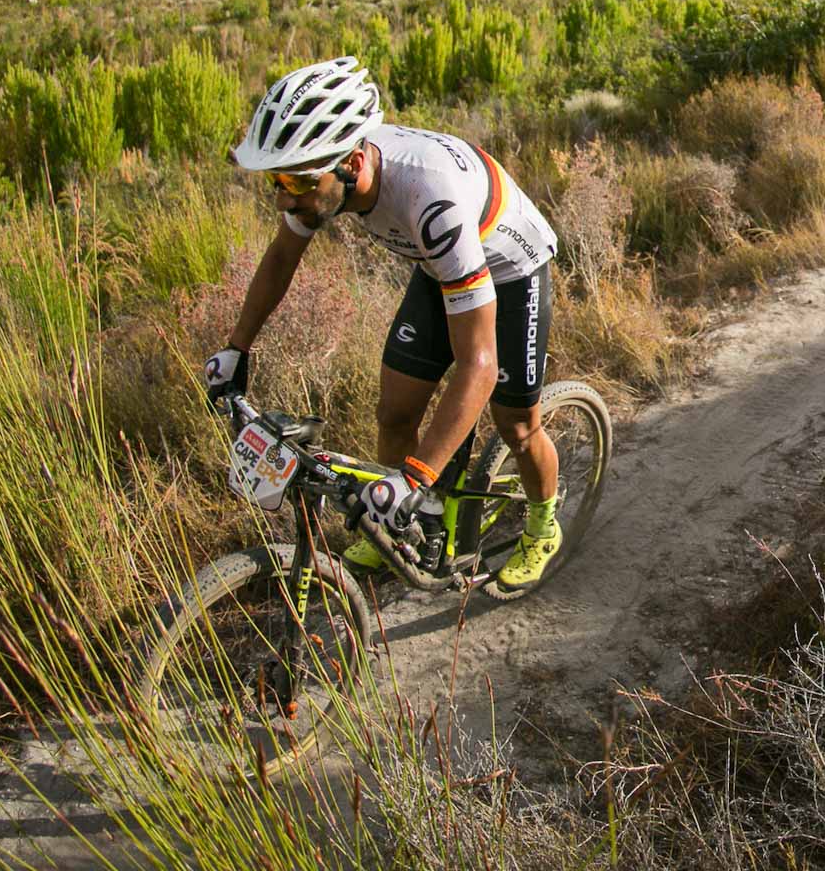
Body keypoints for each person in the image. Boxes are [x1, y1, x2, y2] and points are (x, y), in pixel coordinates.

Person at [204, 57, 564, 595]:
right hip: (441, 266)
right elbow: (281, 258)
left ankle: (542, 525)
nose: (283, 197)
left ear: (351, 161)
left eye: (294, 181)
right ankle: (409, 523)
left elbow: (480, 365)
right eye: (276, 180)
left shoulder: (428, 198)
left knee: (515, 423)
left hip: (510, 269)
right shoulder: (322, 176)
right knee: (395, 413)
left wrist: (413, 478)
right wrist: (236, 348)